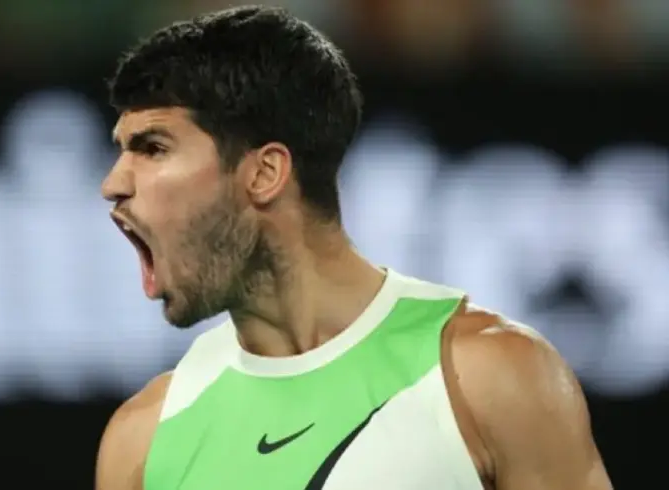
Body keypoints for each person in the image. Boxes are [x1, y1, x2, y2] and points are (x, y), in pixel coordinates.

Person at [96, 5, 612, 490]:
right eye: (123, 149)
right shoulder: (142, 440)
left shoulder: (491, 378)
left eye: (153, 147)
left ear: (264, 172)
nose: (113, 183)